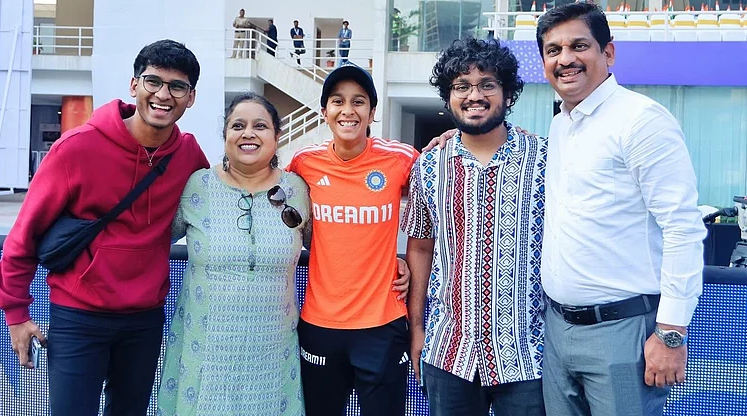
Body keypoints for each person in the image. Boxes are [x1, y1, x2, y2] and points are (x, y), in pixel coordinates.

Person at [0, 39, 209, 416]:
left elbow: (221, 199)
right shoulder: (76, 149)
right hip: (78, 315)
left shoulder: (188, 155)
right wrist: (16, 314)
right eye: (153, 81)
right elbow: (24, 236)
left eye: (177, 87)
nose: (163, 94)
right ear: (134, 85)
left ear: (190, 98)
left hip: (144, 320)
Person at [536, 2, 707, 416]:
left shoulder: (641, 121)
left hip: (622, 334)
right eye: (553, 50)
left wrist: (670, 333)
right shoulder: (561, 124)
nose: (566, 59)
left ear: (607, 53)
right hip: (557, 332)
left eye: (579, 46)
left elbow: (682, 227)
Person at [403, 36, 547, 416]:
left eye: (487, 84)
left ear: (507, 92)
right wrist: (417, 330)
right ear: (448, 96)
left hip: (529, 353)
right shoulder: (429, 165)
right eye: (461, 86)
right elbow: (420, 248)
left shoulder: (547, 159)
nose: (474, 95)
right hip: (449, 351)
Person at [157, 92, 309, 415]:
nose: (248, 133)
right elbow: (149, 236)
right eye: (237, 125)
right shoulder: (197, 186)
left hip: (272, 354)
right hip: (207, 354)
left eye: (260, 126)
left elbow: (333, 245)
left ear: (277, 136)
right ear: (225, 135)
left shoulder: (298, 189)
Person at [286, 63, 417, 415]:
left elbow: (439, 192)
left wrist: (402, 257)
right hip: (320, 325)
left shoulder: (399, 158)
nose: (348, 110)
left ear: (372, 113)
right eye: (338, 101)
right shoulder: (303, 163)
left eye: (359, 102)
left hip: (382, 325)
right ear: (324, 110)